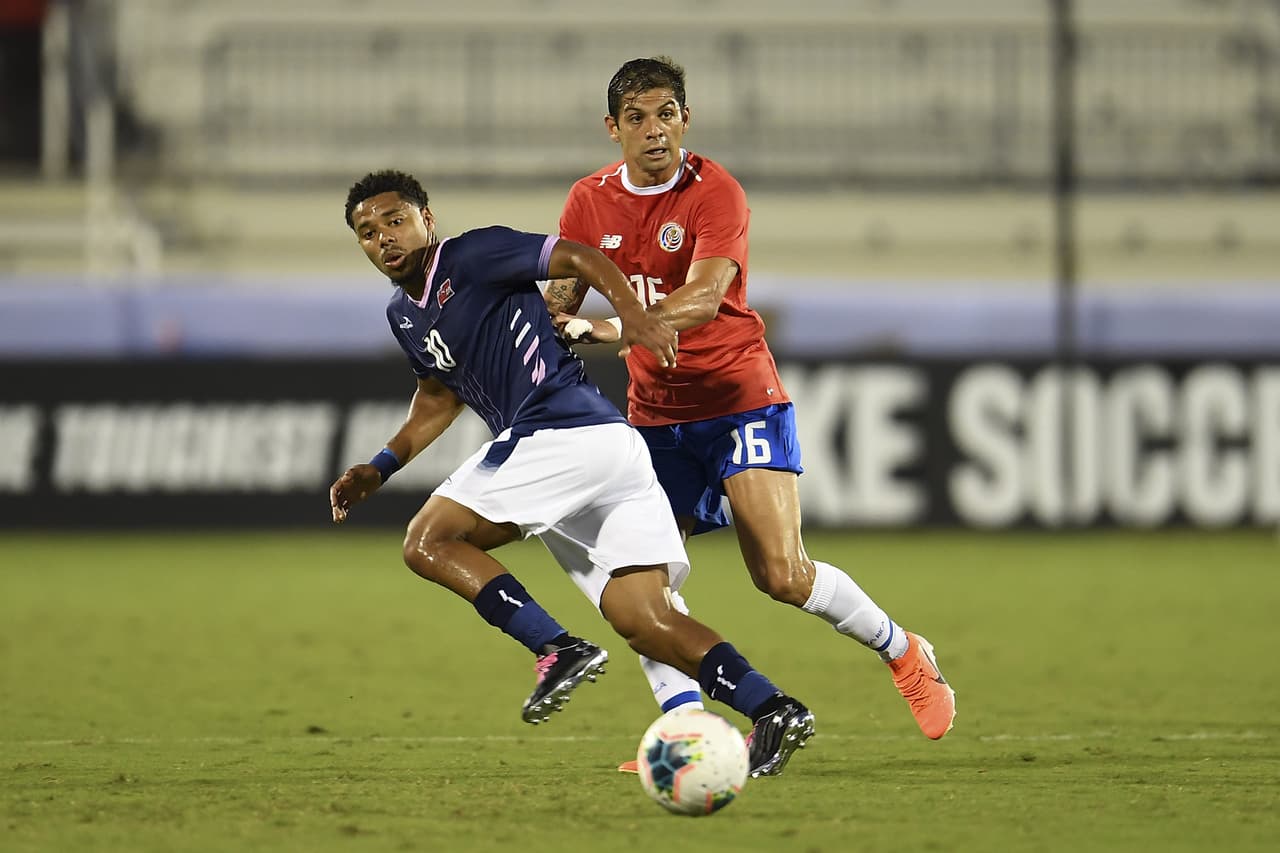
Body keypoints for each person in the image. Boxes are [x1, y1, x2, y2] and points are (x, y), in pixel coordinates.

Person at [331, 169, 815, 777]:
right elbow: (436, 394)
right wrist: (381, 466)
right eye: (368, 234)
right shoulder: (404, 314)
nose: (385, 239)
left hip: (556, 434)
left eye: (395, 220)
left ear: (427, 217)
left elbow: (579, 257)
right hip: (610, 451)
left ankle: (556, 648)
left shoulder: (473, 254)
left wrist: (633, 316)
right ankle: (773, 707)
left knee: (427, 540)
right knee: (646, 619)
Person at [546, 58, 956, 770]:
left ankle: (905, 650)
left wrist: (612, 329)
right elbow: (560, 306)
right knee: (639, 591)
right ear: (612, 128)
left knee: (781, 574)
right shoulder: (588, 202)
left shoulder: (716, 193)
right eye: (637, 117)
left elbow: (703, 301)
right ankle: (684, 725)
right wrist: (538, 326)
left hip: (740, 399)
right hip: (655, 417)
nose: (654, 130)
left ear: (686, 119)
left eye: (666, 113)